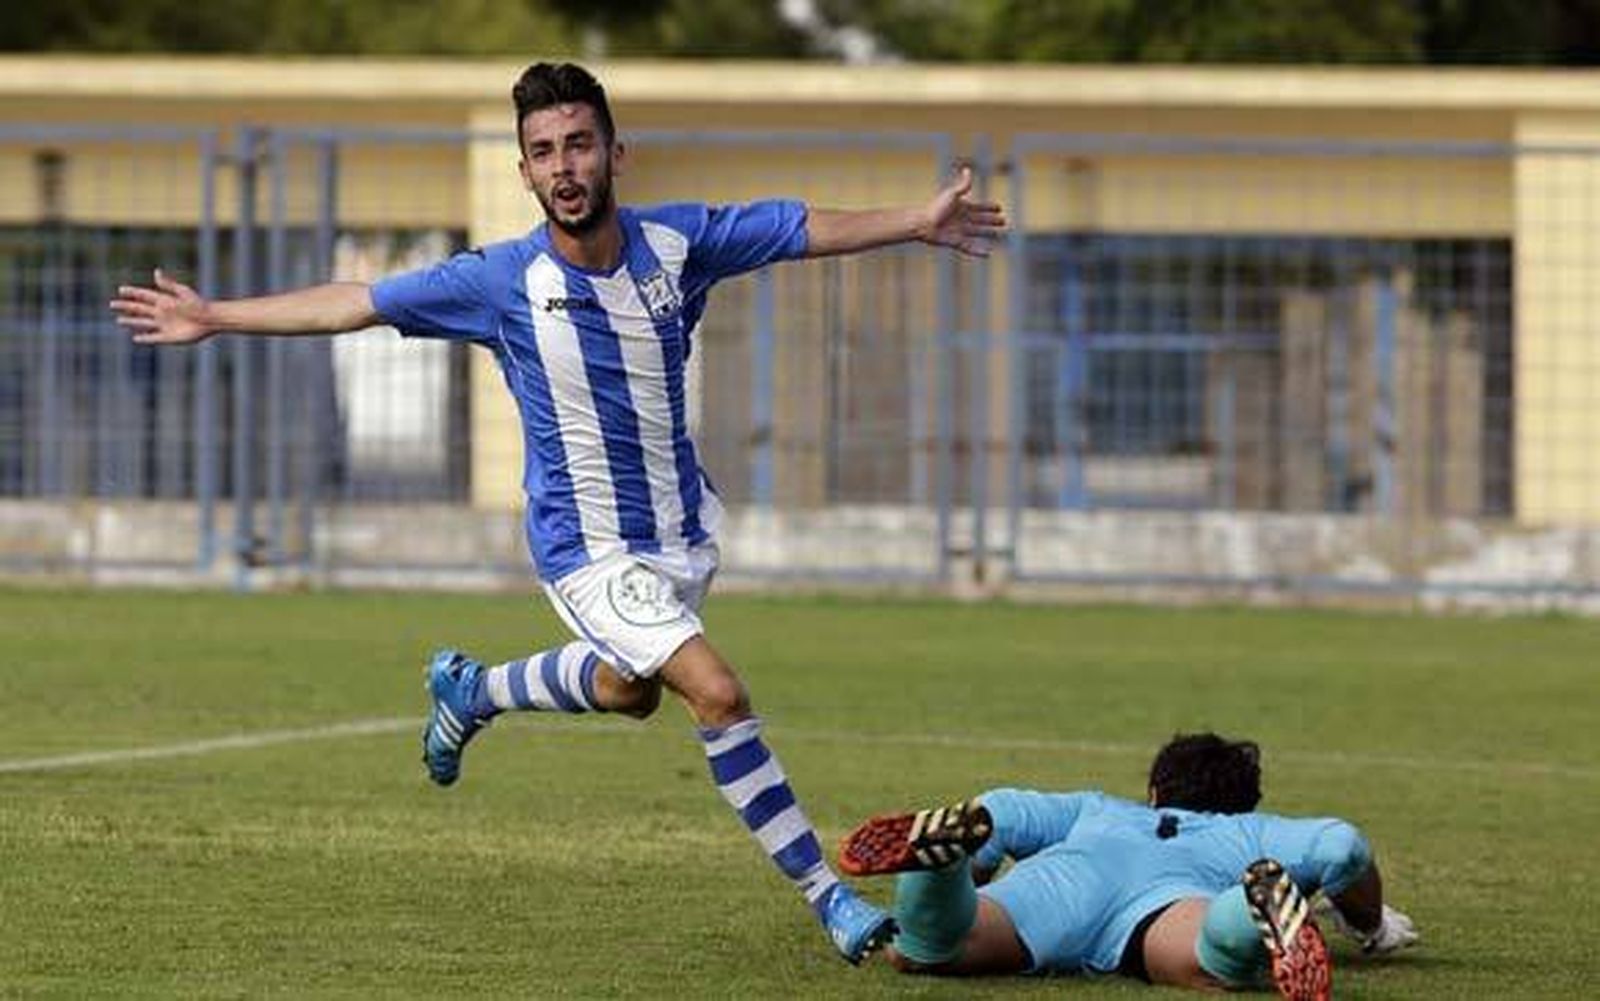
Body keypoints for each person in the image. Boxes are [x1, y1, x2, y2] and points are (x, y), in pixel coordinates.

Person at [109, 61, 1005, 964]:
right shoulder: (500, 282)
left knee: (632, 691)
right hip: (583, 547)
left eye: (578, 143)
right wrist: (218, 314)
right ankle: (829, 897)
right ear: (525, 173)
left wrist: (916, 222)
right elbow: (357, 303)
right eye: (543, 152)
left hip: (680, 533)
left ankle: (475, 690)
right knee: (717, 694)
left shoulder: (679, 243)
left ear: (616, 152)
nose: (564, 166)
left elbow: (797, 227)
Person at [838, 733, 1419, 999]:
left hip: (1063, 885)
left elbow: (1002, 810)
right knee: (1209, 964)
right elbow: (1341, 846)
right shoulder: (1245, 830)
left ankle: (937, 872)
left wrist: (973, 863)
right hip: (1167, 908)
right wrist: (1370, 926)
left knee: (929, 947)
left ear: (1153, 790)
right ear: (1245, 801)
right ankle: (1249, 908)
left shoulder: (1099, 809)